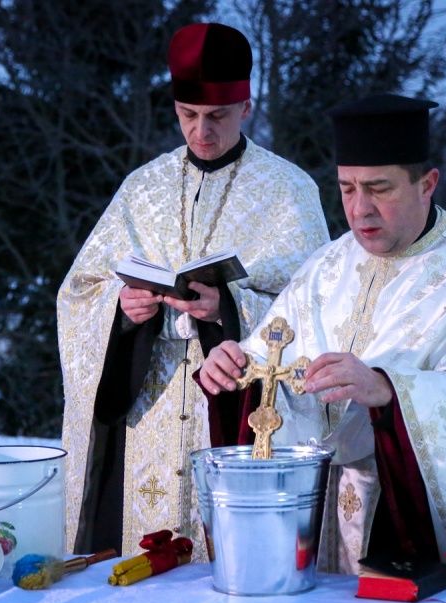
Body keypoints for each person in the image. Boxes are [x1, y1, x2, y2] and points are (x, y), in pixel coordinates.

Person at [198, 94, 446, 603]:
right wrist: (234, 366)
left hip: (419, 537)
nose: (360, 209)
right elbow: (272, 359)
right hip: (321, 534)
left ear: (427, 183)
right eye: (346, 188)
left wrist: (392, 392)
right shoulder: (326, 267)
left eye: (380, 188)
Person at [56, 23, 329, 561]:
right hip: (148, 419)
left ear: (246, 106)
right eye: (188, 115)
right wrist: (124, 311)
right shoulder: (143, 187)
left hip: (239, 420)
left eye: (217, 117)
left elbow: (317, 308)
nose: (201, 131)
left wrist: (225, 308)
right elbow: (80, 291)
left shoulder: (289, 190)